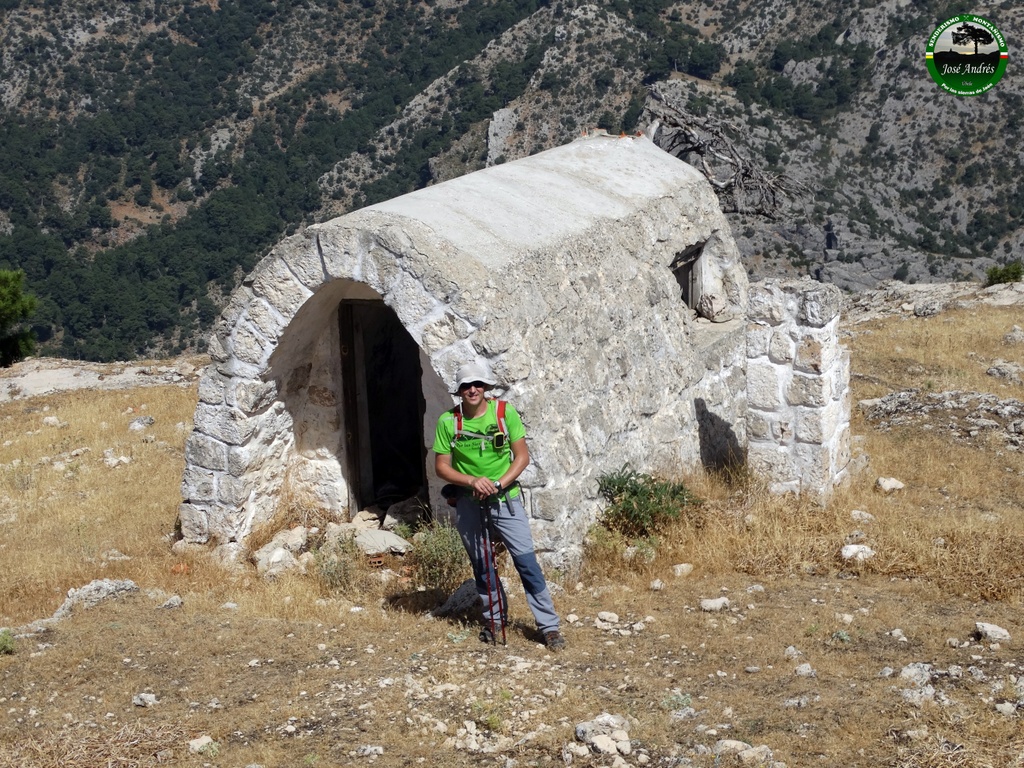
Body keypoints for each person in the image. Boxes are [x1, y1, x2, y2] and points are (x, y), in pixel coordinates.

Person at [433, 361, 565, 650]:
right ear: (459, 391)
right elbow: (441, 467)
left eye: (477, 384)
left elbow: (522, 457)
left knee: (526, 563)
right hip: (469, 502)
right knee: (483, 566)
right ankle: (495, 621)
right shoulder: (448, 422)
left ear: (486, 387)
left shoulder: (504, 413)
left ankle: (549, 627)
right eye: (466, 386)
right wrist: (471, 481)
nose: (472, 390)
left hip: (506, 500)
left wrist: (498, 484)